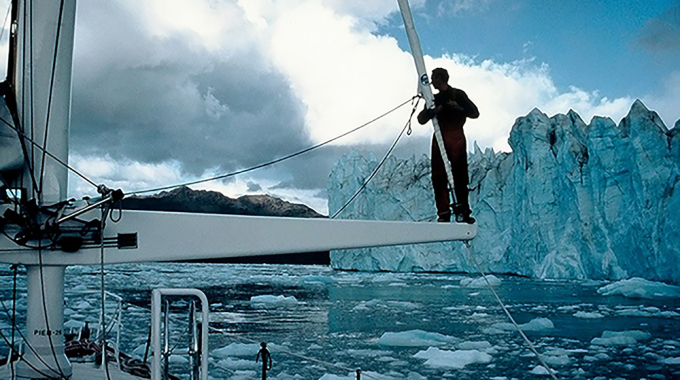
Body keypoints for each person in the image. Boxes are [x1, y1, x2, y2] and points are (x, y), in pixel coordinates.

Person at [417, 67, 479, 223]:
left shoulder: (458, 95)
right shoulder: (434, 99)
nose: (432, 82)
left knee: (460, 175)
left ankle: (463, 211)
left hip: (455, 135)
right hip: (440, 137)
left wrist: (458, 108)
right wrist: (433, 111)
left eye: (433, 78)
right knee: (438, 177)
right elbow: (421, 118)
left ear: (440, 78)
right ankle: (443, 213)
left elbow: (474, 113)